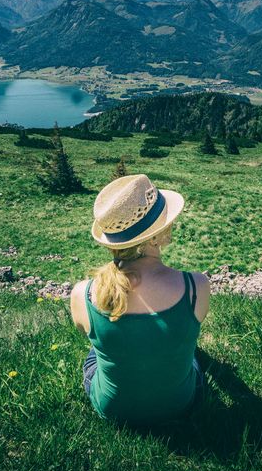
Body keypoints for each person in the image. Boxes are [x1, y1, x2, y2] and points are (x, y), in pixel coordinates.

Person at [68, 173, 210, 428]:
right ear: (153, 238)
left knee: (96, 348)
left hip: (112, 410)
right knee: (190, 354)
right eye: (165, 219)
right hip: (181, 404)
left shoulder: (82, 293)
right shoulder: (196, 286)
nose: (171, 223)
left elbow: (83, 331)